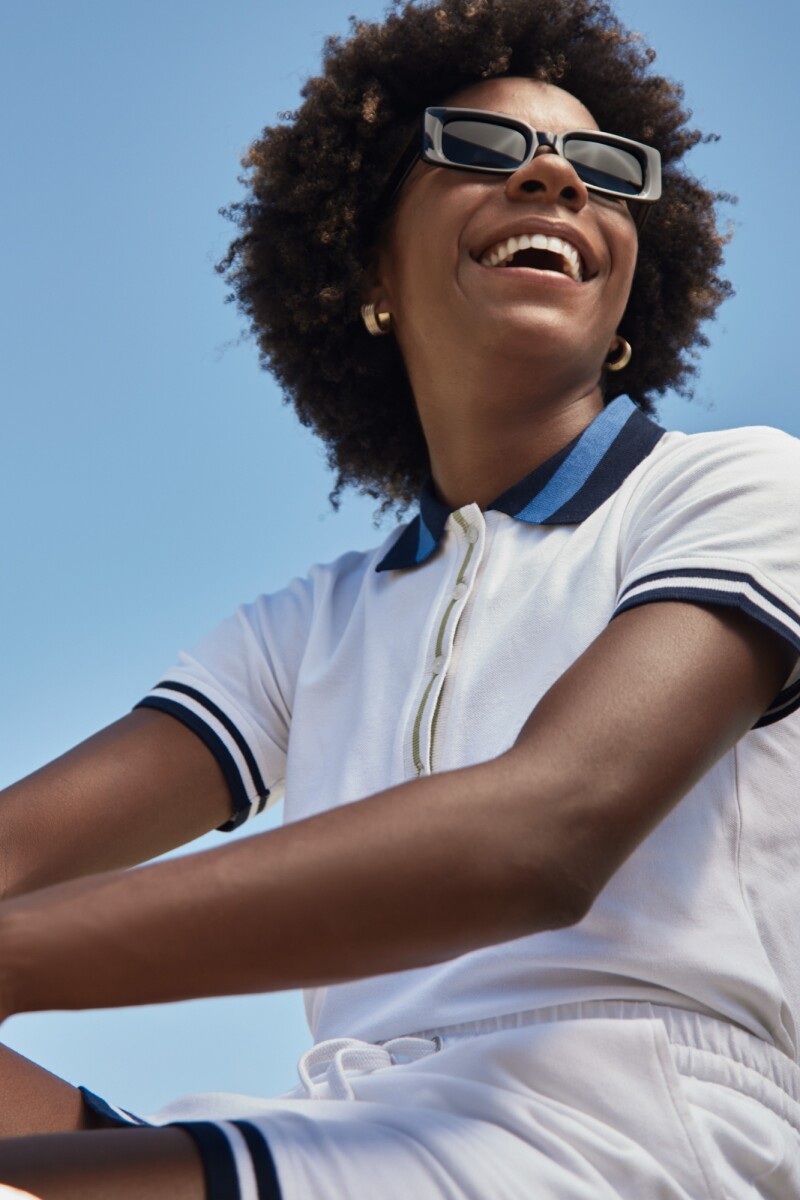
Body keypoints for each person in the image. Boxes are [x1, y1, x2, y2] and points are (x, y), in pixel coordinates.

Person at [1, 0, 799, 1196]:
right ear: (366, 266)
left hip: (631, 1134)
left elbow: (543, 836)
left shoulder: (739, 488)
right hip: (358, 1124)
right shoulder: (309, 625)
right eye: (479, 149)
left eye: (600, 168)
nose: (552, 178)